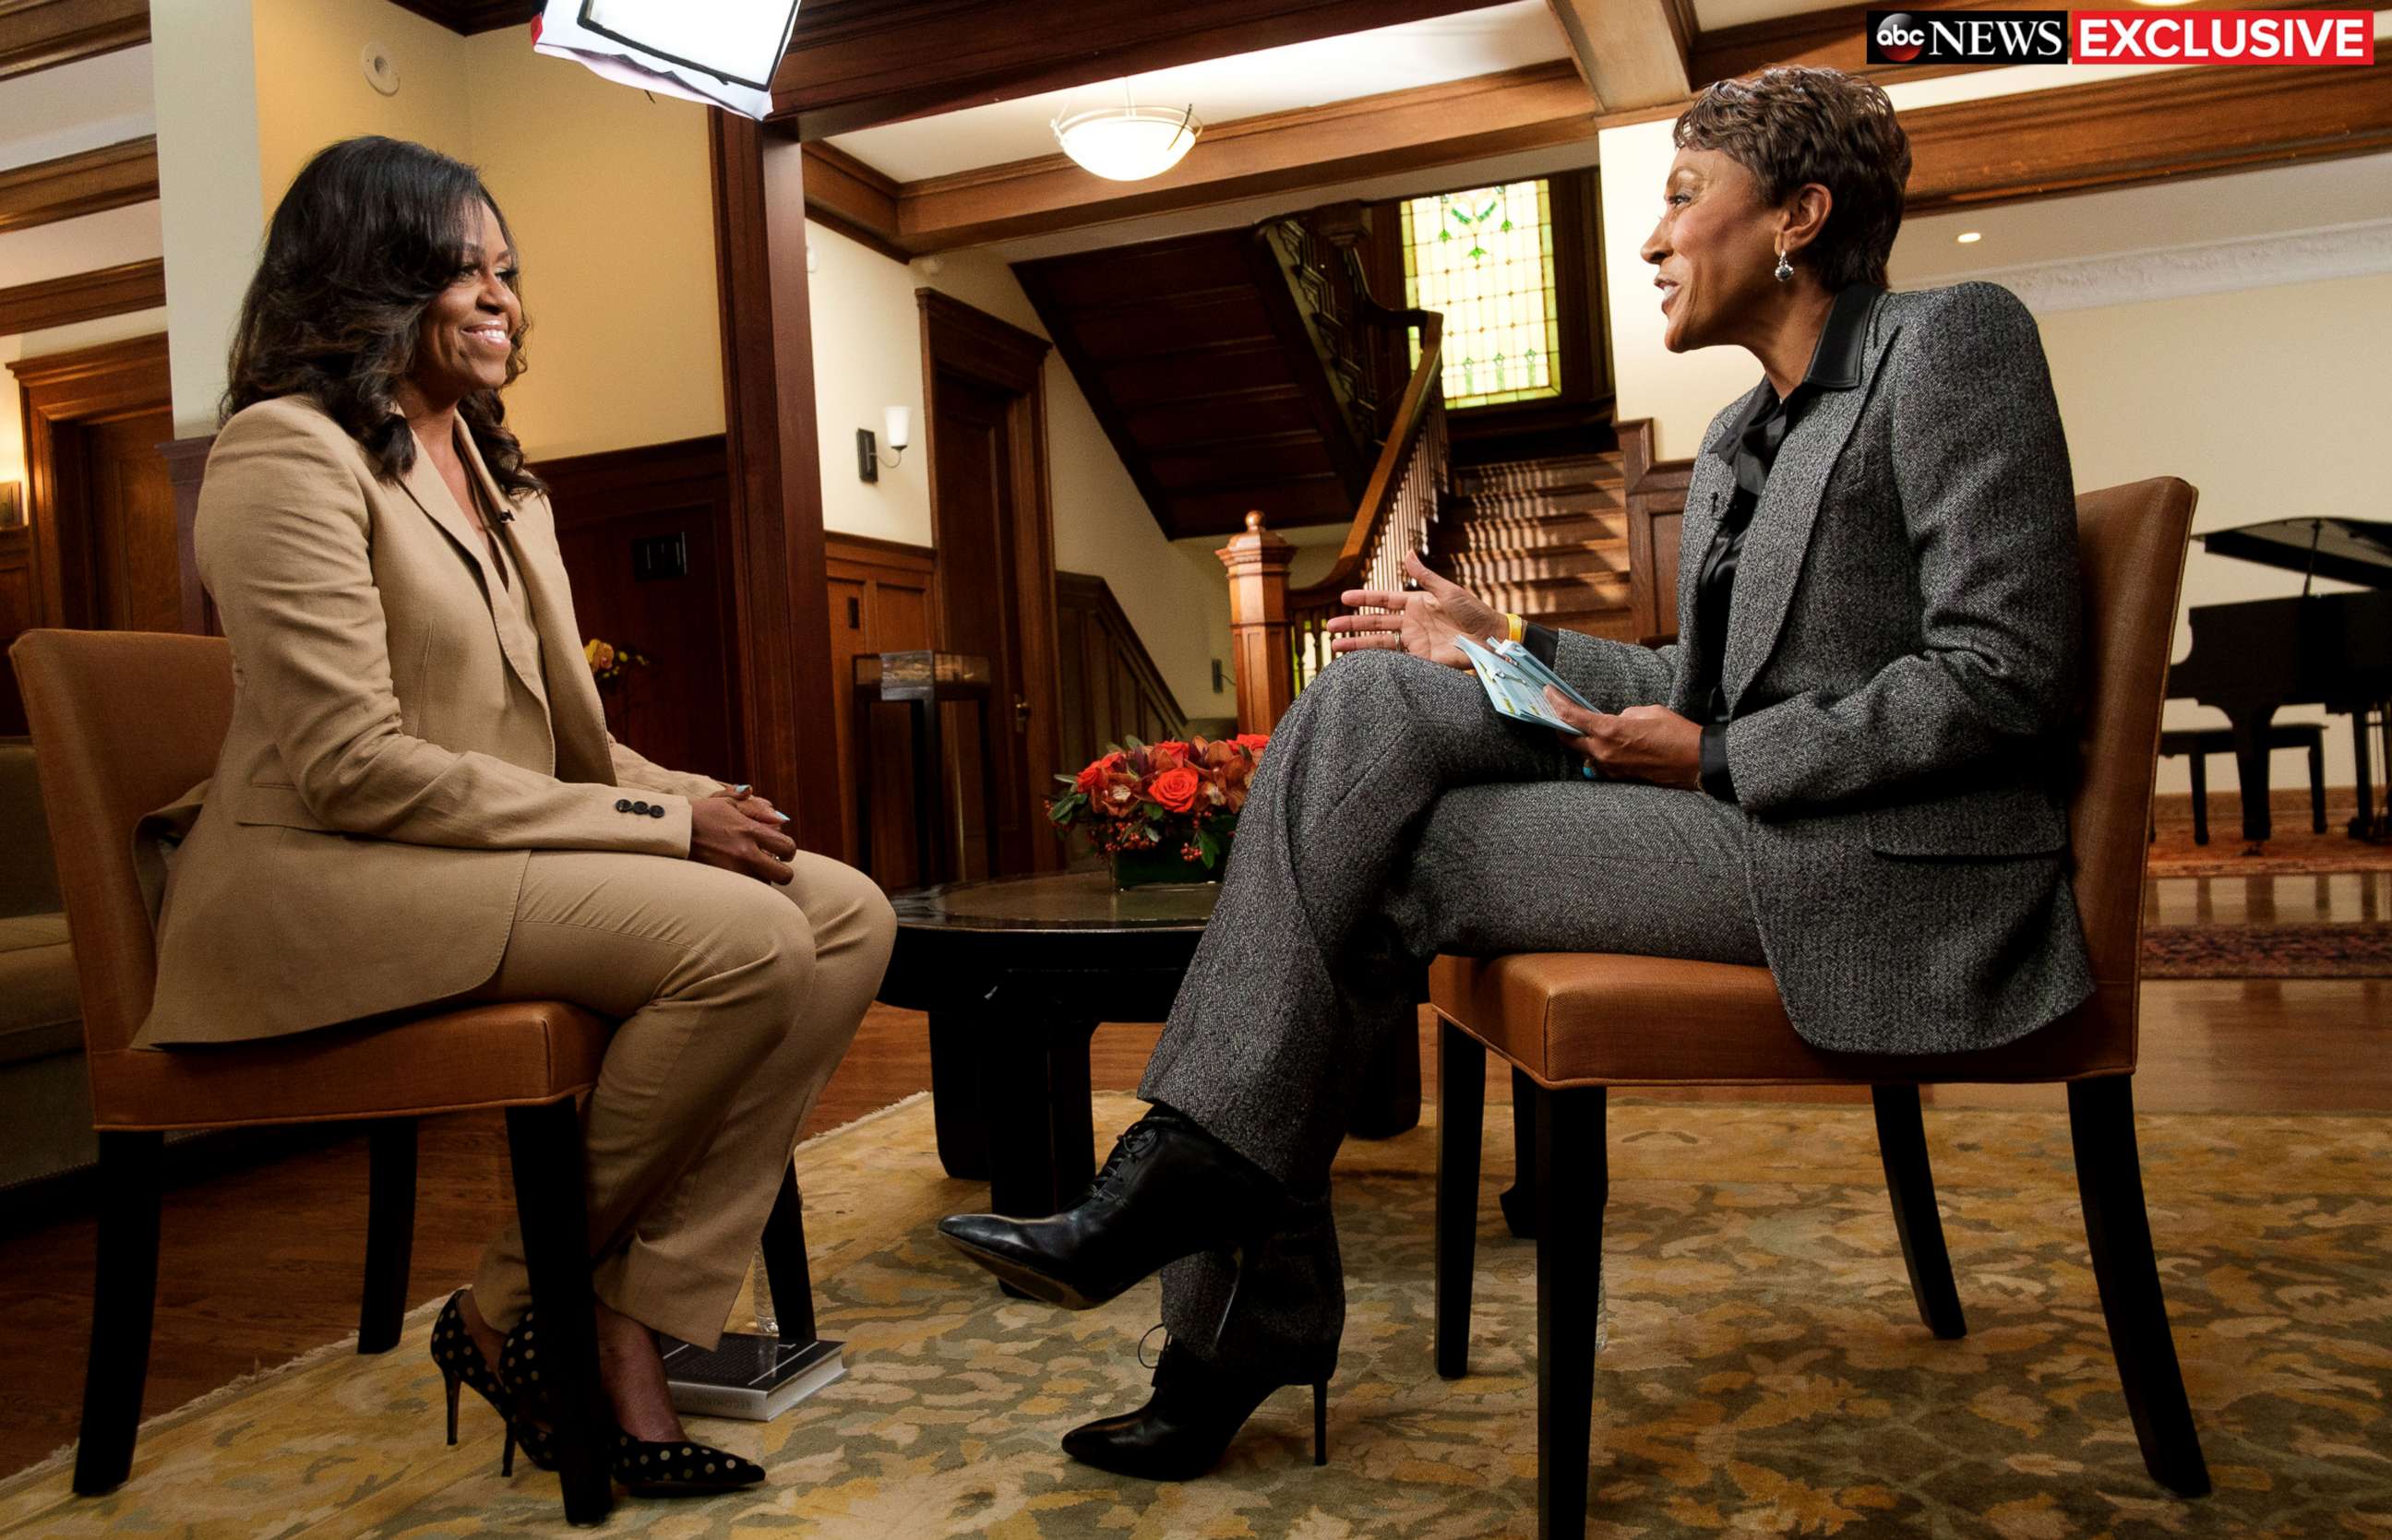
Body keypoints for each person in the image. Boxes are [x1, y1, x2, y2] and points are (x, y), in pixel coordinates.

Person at [939, 66, 2093, 1481]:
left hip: (1887, 868)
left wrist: (1727, 753)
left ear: (1801, 213)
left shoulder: (1953, 343)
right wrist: (1508, 640)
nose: (1655, 239)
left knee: (1393, 858)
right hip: (1749, 816)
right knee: (1372, 692)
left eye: (1681, 198)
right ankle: (1207, 1223)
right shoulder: (1742, 436)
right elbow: (1693, 686)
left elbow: (2005, 674)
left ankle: (1219, 1257)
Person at [143, 137, 894, 1495]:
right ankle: (534, 1311)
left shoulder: (501, 476)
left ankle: (607, 1313)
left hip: (478, 846)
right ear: (369, 276)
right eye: (464, 268)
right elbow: (355, 767)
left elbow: (571, 738)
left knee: (842, 911)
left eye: (508, 271)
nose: (502, 298)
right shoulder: (281, 456)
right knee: (744, 944)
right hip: (330, 870)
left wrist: (689, 795)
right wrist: (661, 832)